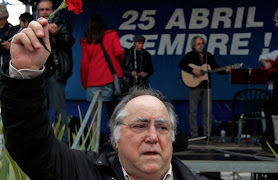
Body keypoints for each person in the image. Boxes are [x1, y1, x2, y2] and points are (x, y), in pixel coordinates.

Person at [0, 18, 207, 179]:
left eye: (162, 127)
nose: (152, 136)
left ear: (172, 140)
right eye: (140, 126)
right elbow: (31, 146)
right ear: (116, 139)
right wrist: (25, 72)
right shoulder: (83, 172)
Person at [37, 0, 75, 144]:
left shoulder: (61, 23)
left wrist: (58, 33)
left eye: (47, 9)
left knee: (59, 109)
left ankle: (63, 143)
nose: (45, 12)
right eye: (42, 9)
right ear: (38, 12)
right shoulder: (35, 26)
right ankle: (44, 141)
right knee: (40, 110)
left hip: (56, 72)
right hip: (39, 73)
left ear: (53, 10)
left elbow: (69, 41)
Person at [179, 36, 231, 138]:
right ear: (194, 45)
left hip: (206, 86)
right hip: (194, 85)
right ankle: (194, 135)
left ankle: (207, 134)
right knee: (193, 111)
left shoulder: (208, 56)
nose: (201, 45)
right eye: (198, 43)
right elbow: (182, 64)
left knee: (208, 111)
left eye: (202, 43)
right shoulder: (190, 55)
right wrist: (193, 70)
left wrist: (225, 70)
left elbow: (215, 68)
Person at [80, 14, 124, 120]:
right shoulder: (112, 35)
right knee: (112, 111)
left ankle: (95, 136)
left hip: (92, 81)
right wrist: (117, 64)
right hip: (109, 78)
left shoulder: (87, 41)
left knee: (94, 114)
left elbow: (84, 64)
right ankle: (113, 136)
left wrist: (84, 83)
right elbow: (119, 53)